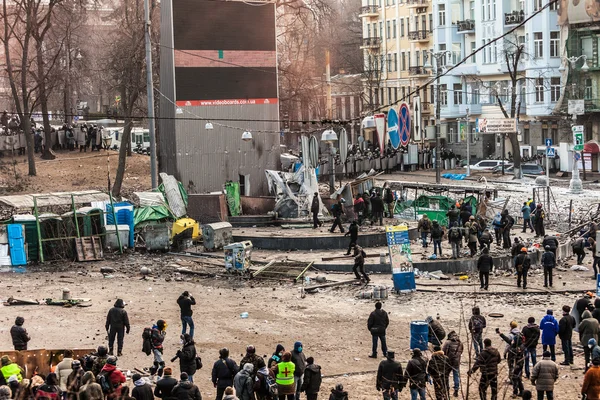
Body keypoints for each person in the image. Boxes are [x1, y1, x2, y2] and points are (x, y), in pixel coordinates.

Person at [498, 322, 525, 398]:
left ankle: (515, 392)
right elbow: (507, 340)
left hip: (516, 364)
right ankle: (522, 391)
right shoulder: (522, 346)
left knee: (514, 378)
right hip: (520, 363)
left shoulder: (514, 349)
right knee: (518, 378)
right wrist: (500, 334)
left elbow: (508, 342)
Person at [442, 331, 463, 398]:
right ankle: (456, 389)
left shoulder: (447, 342)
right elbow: (461, 351)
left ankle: (446, 388)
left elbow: (443, 352)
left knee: (446, 375)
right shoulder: (460, 343)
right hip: (456, 362)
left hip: (448, 361)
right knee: (456, 376)